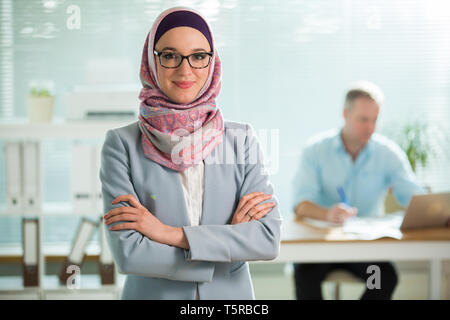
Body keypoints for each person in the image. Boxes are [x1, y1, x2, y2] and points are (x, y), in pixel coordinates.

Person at [99, 7, 281, 300]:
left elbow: (267, 240)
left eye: (198, 56)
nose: (186, 71)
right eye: (170, 56)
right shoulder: (121, 144)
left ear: (212, 62)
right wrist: (227, 245)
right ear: (151, 61)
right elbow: (130, 254)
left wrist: (166, 233)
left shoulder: (241, 139)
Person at [292, 81, 425, 300]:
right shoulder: (315, 150)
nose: (370, 127)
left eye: (374, 120)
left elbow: (414, 197)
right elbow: (300, 204)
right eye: (363, 119)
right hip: (321, 247)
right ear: (345, 114)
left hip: (365, 250)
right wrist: (328, 214)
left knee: (382, 278)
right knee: (305, 275)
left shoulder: (387, 153)